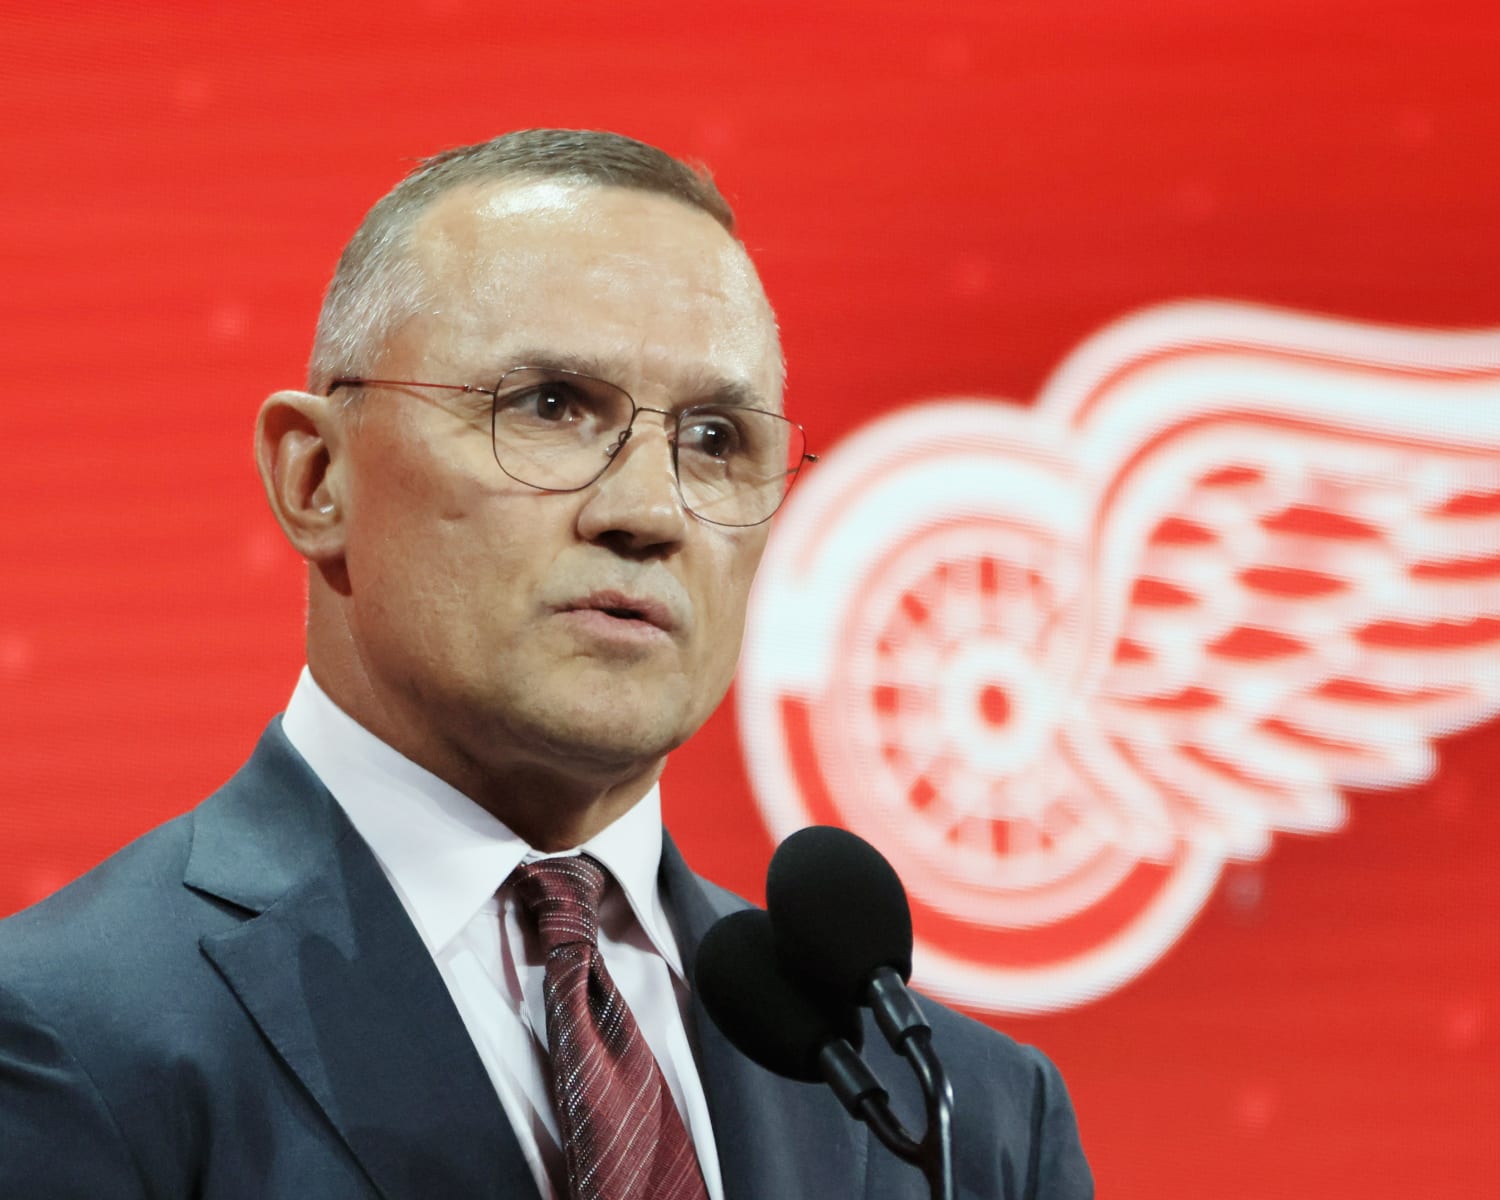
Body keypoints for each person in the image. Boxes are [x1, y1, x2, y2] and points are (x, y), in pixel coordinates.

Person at [0, 129, 1094, 1199]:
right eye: (552, 408)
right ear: (317, 477)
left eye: (714, 438)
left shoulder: (965, 1119)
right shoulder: (63, 1037)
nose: (649, 513)